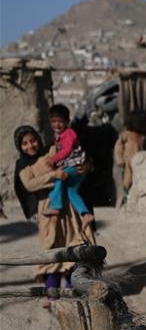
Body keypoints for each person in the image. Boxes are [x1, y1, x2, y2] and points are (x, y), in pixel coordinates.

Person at [14, 125, 96, 308]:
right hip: (48, 210)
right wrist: (53, 175)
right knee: (51, 251)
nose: (30, 146)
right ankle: (52, 297)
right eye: (25, 143)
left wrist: (86, 165)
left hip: (68, 207)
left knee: (73, 248)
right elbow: (30, 185)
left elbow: (73, 156)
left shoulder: (51, 150)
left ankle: (73, 294)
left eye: (33, 140)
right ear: (20, 147)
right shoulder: (23, 166)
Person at [42, 104, 92, 221]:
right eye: (53, 121)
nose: (57, 124)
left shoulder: (69, 133)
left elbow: (67, 149)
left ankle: (55, 206)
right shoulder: (59, 136)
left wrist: (53, 159)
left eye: (60, 121)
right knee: (72, 192)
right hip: (75, 167)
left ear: (67, 121)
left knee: (59, 177)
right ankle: (85, 214)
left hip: (75, 165)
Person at [114, 110, 146, 204]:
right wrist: (119, 159)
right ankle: (126, 198)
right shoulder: (127, 135)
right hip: (128, 162)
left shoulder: (143, 136)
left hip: (141, 162)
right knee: (127, 180)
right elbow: (118, 147)